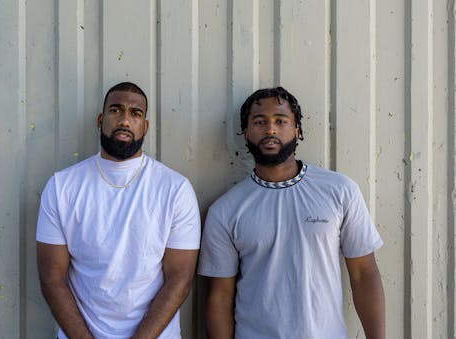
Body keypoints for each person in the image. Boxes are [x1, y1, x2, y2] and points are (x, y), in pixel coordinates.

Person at [198, 87, 385, 339]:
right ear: (246, 133)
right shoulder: (226, 210)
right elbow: (220, 298)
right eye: (260, 122)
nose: (270, 129)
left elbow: (364, 274)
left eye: (280, 121)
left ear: (297, 130)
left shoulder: (339, 190)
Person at [36, 81, 201, 339]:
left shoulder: (175, 189)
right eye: (116, 110)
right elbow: (51, 279)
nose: (125, 120)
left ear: (145, 127)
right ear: (101, 120)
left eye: (135, 113)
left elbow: (179, 280)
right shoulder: (61, 187)